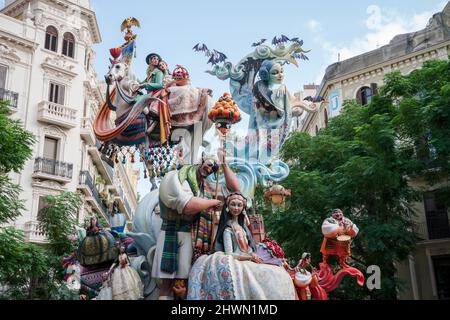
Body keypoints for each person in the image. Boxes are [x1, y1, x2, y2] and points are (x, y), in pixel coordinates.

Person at [152, 147, 240, 300]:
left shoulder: (205, 188)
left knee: (183, 282)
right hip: (170, 233)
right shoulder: (176, 177)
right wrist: (211, 202)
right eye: (209, 163)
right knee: (166, 283)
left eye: (214, 167)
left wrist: (224, 164)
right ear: (201, 160)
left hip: (188, 235)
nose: (210, 168)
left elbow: (236, 190)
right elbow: (187, 206)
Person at [187, 192, 297, 300]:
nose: (236, 208)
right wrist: (249, 257)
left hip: (249, 258)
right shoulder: (228, 229)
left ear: (243, 208)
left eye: (239, 205)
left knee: (278, 271)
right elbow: (229, 254)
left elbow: (248, 247)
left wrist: (252, 254)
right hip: (239, 260)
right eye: (233, 204)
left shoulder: (242, 228)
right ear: (227, 207)